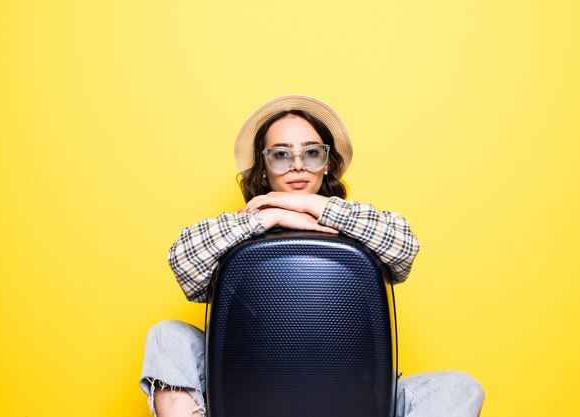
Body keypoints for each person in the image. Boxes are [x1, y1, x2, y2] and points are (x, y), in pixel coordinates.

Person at [140, 95, 485, 417]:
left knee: (459, 388)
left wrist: (311, 205)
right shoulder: (242, 225)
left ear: (327, 163)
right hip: (246, 382)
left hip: (352, 387)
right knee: (167, 335)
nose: (297, 166)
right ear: (263, 166)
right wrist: (269, 217)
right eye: (280, 154)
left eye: (311, 153)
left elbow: (404, 246)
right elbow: (182, 260)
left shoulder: (357, 225)